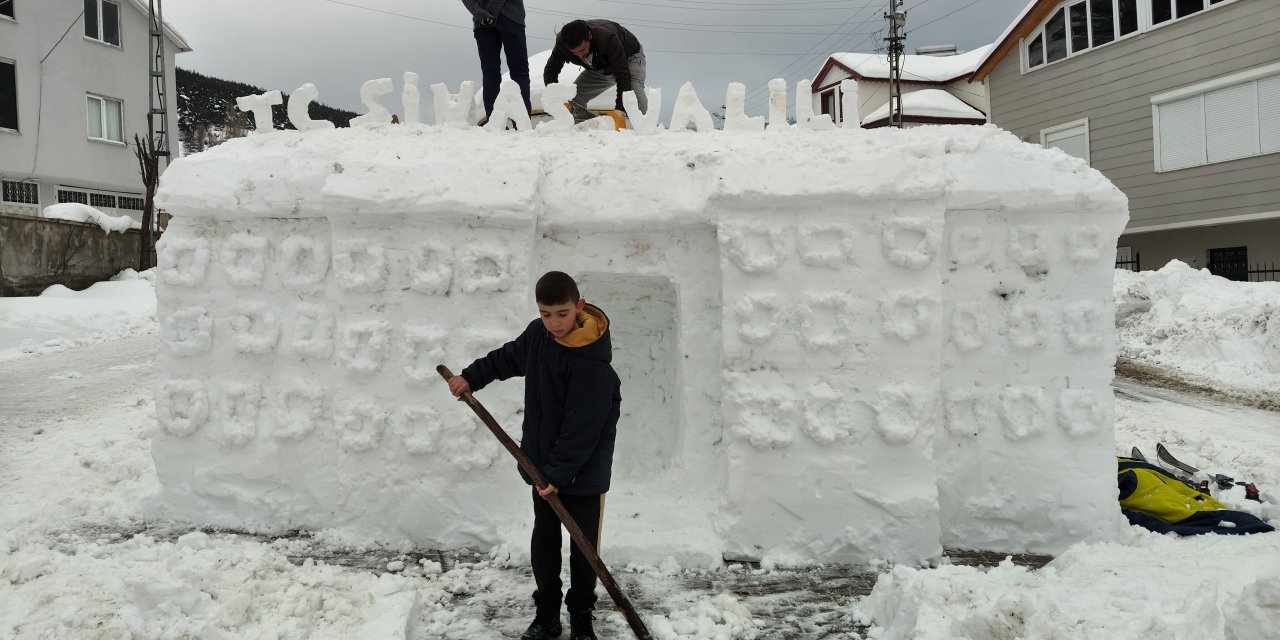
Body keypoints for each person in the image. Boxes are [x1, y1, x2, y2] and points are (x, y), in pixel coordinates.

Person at [448, 271, 621, 640]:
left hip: (583, 473)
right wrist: (471, 377)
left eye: (561, 313)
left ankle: (580, 620)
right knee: (544, 542)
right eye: (545, 314)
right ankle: (547, 617)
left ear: (580, 306)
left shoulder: (592, 365)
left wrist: (558, 474)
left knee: (583, 549)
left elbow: (582, 430)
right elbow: (508, 358)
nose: (554, 323)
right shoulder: (538, 337)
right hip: (543, 468)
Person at [544, 19, 647, 124]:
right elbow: (550, 71)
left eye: (582, 49)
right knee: (572, 100)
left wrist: (620, 111)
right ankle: (585, 129)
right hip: (600, 67)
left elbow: (622, 75)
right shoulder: (562, 44)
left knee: (633, 97)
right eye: (575, 53)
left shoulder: (607, 38)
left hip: (629, 59)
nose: (580, 55)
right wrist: (557, 99)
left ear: (589, 36)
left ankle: (644, 132)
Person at [460, 0, 532, 121]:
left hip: (484, 19)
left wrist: (482, 12)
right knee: (518, 71)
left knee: (491, 73)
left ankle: (495, 123)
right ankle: (521, 122)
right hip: (509, 16)